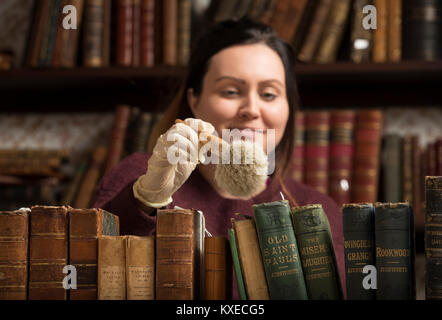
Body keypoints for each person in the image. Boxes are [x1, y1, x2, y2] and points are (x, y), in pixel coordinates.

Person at [92, 17, 345, 298]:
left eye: (269, 94)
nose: (251, 109)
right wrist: (145, 199)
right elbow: (89, 277)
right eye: (231, 91)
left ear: (289, 109)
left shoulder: (316, 207)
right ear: (194, 100)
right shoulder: (140, 175)